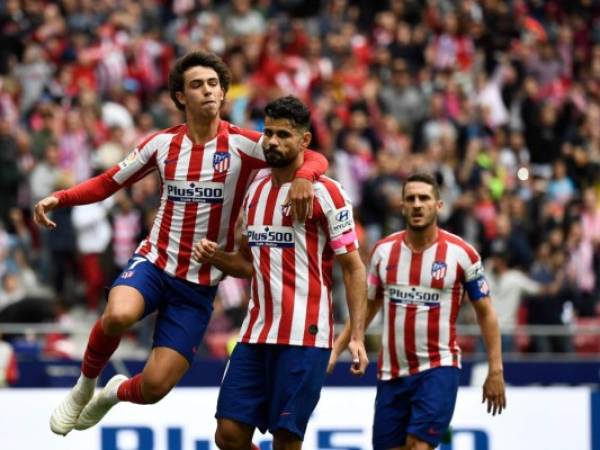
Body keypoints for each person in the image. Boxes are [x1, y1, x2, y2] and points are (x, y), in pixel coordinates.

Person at [33, 51, 329, 436]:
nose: (207, 91)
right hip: (155, 262)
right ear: (180, 97)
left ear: (223, 93)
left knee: (155, 386)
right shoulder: (162, 145)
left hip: (198, 287)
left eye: (213, 84)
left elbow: (310, 153)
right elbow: (109, 181)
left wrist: (305, 175)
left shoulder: (245, 146)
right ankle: (84, 385)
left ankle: (111, 394)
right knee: (118, 314)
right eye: (196, 85)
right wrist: (62, 197)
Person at [193, 96, 369, 450]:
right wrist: (217, 257)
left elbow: (353, 267)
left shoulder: (328, 194)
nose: (272, 141)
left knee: (286, 441)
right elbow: (248, 263)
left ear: (304, 140)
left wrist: (357, 336)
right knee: (227, 435)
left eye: (284, 135)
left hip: (305, 337)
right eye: (268, 133)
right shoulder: (254, 190)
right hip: (256, 334)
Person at [328, 173, 506, 450]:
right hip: (391, 373)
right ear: (401, 206)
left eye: (424, 198)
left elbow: (486, 313)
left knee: (418, 445)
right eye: (410, 198)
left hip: (438, 368)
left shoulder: (463, 254)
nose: (417, 204)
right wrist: (339, 348)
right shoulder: (383, 252)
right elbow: (368, 305)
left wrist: (495, 370)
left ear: (439, 206)